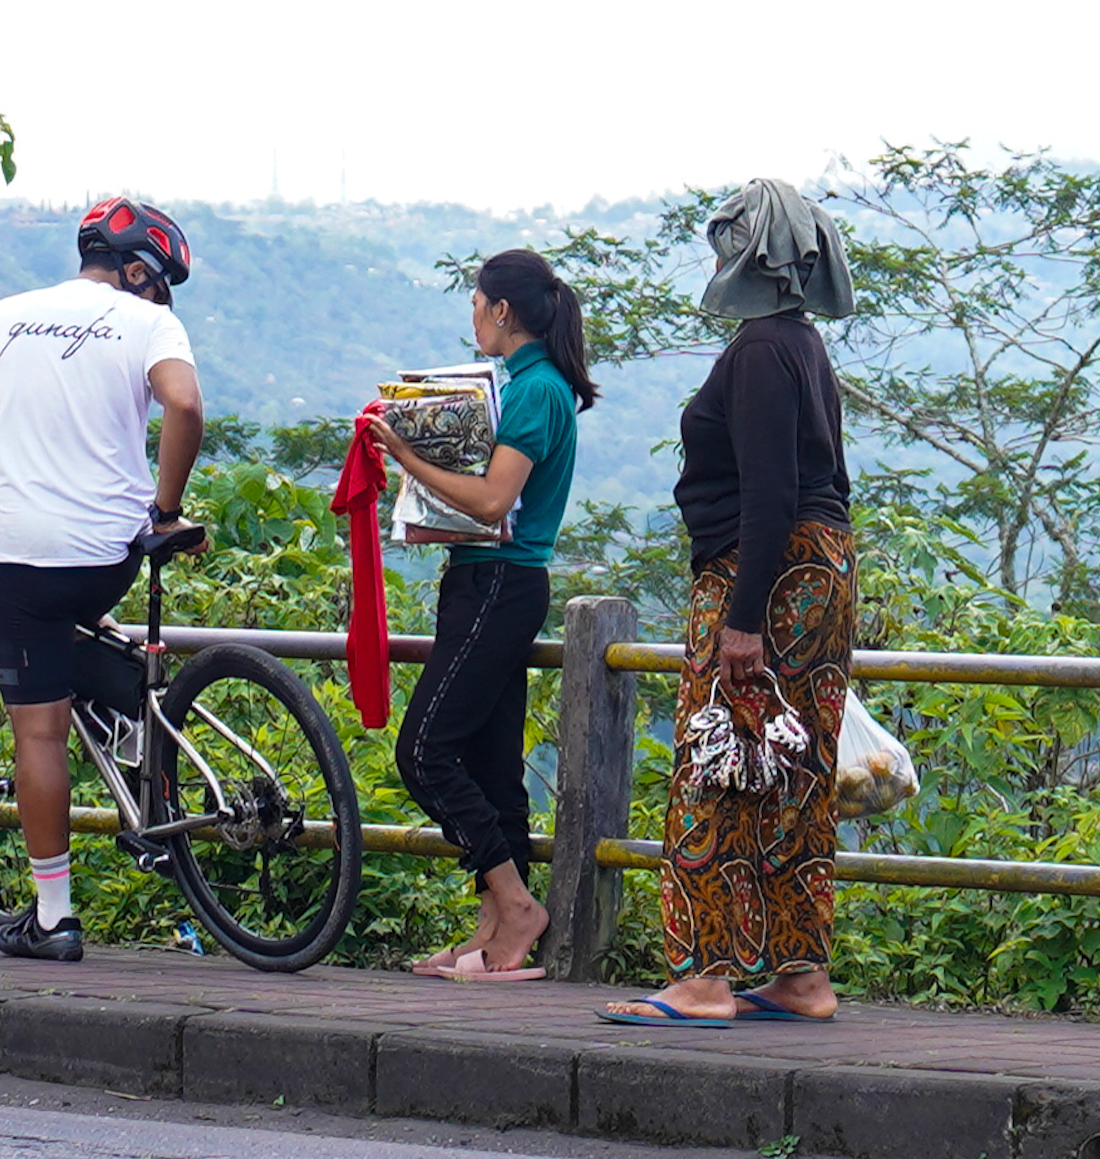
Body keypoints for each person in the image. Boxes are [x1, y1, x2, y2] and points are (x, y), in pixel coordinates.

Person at [601, 178, 856, 1026]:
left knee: (713, 771)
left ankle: (704, 979)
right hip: (820, 571)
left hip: (763, 574)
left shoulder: (756, 350)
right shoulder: (804, 345)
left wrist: (744, 618)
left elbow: (771, 493)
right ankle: (801, 978)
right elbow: (829, 488)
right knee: (793, 771)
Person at [0, 197, 206, 962]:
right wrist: (167, 507)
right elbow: (183, 404)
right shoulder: (149, 323)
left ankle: (53, 916)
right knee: (77, 619)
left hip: (16, 558)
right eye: (160, 283)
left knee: (38, 731)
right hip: (108, 555)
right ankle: (125, 713)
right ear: (138, 271)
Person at [360, 250, 596, 980]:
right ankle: (498, 927)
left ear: (502, 310)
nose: (472, 316)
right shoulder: (528, 386)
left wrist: (403, 453)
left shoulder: (534, 394)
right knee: (495, 765)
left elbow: (492, 502)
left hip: (498, 581)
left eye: (475, 303)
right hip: (489, 581)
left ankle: (517, 904)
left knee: (424, 751)